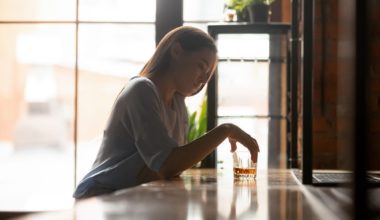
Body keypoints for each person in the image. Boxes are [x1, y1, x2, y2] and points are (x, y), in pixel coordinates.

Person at [73, 26, 260, 199]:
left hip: (134, 196)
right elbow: (168, 164)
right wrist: (226, 130)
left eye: (208, 75)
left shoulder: (178, 103)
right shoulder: (141, 89)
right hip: (100, 196)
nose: (203, 79)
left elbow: (171, 168)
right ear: (176, 51)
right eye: (201, 67)